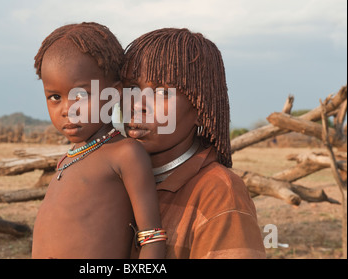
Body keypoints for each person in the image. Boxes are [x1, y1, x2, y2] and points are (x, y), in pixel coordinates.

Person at [121, 27, 266, 259]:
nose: (138, 105)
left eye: (162, 92)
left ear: (200, 108)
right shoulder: (116, 181)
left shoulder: (219, 195)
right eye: (131, 89)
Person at [31, 22, 166, 259]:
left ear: (113, 94)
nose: (67, 109)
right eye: (55, 97)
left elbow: (151, 237)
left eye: (81, 95)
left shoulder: (124, 153)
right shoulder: (68, 159)